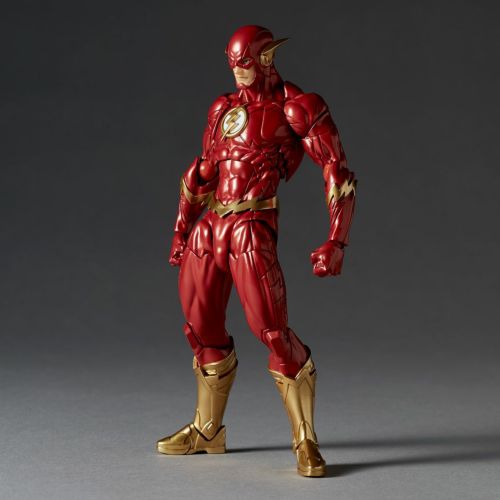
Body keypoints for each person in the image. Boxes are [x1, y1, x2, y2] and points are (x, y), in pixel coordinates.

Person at [156, 25, 356, 478]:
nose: (238, 72)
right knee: (201, 329)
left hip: (251, 227)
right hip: (210, 228)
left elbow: (336, 170)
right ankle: (207, 430)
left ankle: (305, 438)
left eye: (245, 64)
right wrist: (181, 229)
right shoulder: (223, 108)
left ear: (266, 59)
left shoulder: (297, 107)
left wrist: (337, 240)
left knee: (273, 332)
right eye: (232, 64)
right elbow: (202, 172)